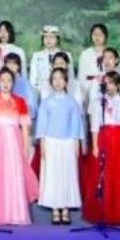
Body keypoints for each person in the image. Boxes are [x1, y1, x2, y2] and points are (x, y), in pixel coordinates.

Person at [0, 67, 37, 225]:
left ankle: (15, 213)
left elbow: (25, 127)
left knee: (13, 173)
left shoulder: (20, 101)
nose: (5, 84)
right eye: (2, 80)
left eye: (9, 81)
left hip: (14, 141)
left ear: (13, 83)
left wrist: (25, 146)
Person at [82, 69, 120, 225]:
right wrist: (95, 145)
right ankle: (101, 211)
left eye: (111, 83)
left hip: (119, 139)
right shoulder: (98, 102)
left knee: (118, 175)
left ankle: (118, 211)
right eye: (106, 83)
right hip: (103, 138)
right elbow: (95, 125)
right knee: (102, 174)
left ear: (118, 85)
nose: (108, 86)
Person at [35, 66, 84, 225]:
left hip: (68, 142)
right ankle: (55, 209)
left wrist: (76, 142)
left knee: (67, 174)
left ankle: (66, 208)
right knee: (52, 175)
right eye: (54, 78)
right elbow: (42, 125)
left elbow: (76, 125)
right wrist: (42, 143)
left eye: (61, 78)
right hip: (51, 142)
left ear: (66, 82)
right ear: (51, 82)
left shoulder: (72, 103)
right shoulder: (46, 102)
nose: (57, 82)